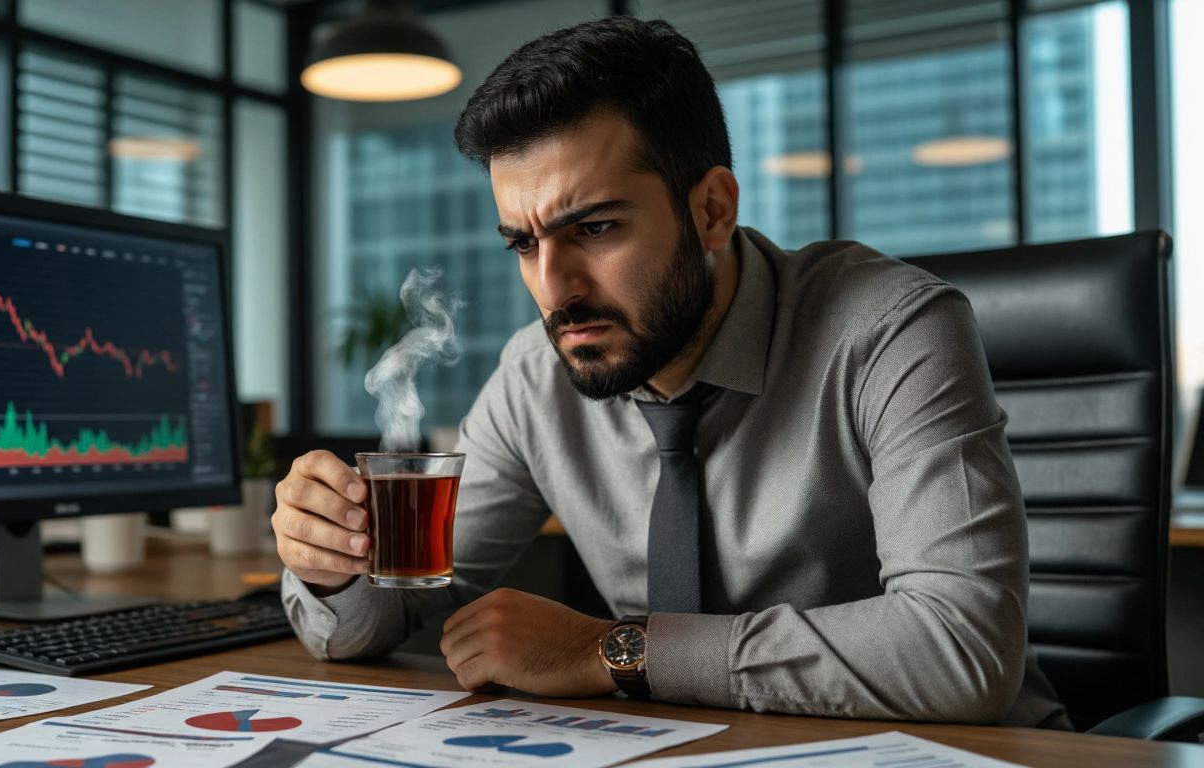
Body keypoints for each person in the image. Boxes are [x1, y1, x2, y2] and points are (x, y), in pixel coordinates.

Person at [273, 15, 1068, 728]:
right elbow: (393, 617)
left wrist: (614, 651)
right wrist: (332, 571)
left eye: (595, 226)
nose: (555, 289)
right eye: (523, 243)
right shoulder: (534, 378)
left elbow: (962, 650)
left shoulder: (891, 331)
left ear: (713, 210)